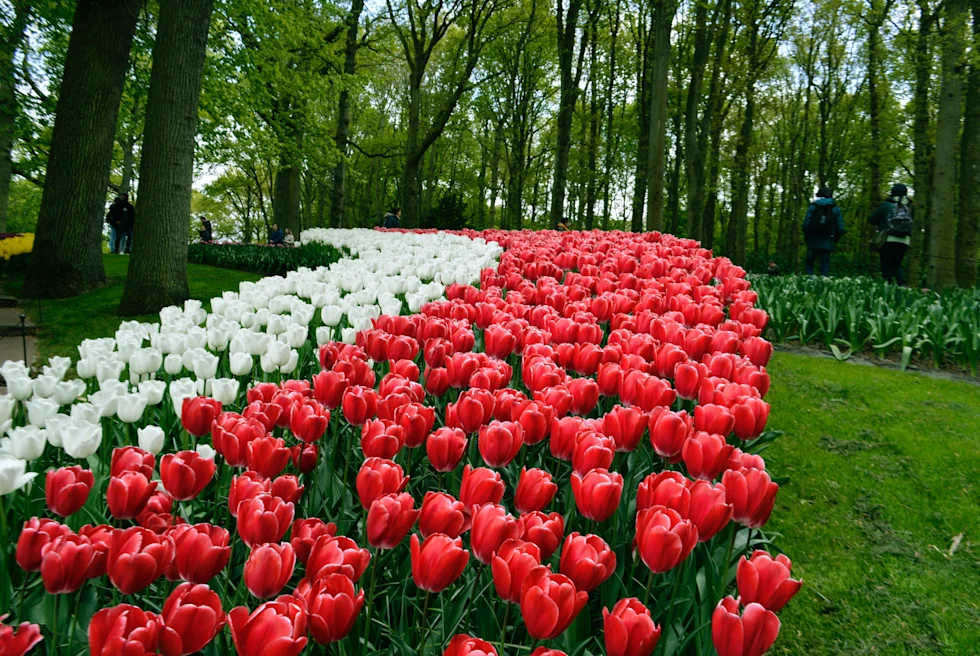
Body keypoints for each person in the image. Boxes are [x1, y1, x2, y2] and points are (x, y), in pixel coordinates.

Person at [869, 183, 914, 285]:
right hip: (904, 240)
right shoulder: (910, 207)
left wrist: (881, 222)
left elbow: (871, 219)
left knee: (886, 264)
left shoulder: (886, 205)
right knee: (897, 264)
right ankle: (902, 286)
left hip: (887, 238)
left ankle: (887, 287)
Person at [801, 187, 844, 276]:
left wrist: (807, 236)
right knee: (825, 264)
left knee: (809, 263)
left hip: (813, 240)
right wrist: (834, 239)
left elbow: (805, 224)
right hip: (828, 240)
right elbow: (840, 228)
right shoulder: (835, 209)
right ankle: (824, 283)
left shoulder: (813, 207)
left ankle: (809, 281)